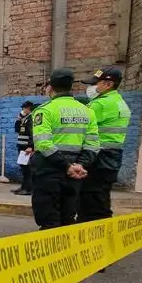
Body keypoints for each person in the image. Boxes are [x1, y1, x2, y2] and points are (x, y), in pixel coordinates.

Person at [30, 68, 100, 230]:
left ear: (50, 87)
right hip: (75, 171)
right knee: (67, 217)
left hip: (50, 169)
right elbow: (93, 144)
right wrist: (79, 165)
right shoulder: (87, 111)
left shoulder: (45, 110)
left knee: (48, 217)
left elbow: (43, 144)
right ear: (71, 87)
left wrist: (66, 166)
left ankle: (50, 254)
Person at [77, 67, 131, 271]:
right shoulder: (119, 102)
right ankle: (103, 252)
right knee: (101, 205)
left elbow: (83, 125)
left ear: (108, 84)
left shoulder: (101, 104)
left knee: (89, 205)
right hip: (111, 158)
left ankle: (93, 255)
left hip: (98, 158)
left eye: (96, 83)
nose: (92, 87)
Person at [12, 101, 36, 195]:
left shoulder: (31, 118)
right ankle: (23, 187)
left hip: (26, 147)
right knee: (23, 168)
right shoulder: (24, 119)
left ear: (29, 108)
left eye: (24, 108)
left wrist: (30, 146)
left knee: (27, 169)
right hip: (21, 146)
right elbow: (17, 130)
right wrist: (18, 120)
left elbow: (32, 133)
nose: (23, 110)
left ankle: (28, 189)